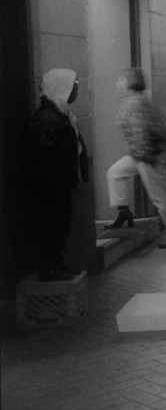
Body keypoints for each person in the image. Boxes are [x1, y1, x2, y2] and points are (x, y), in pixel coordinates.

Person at [106, 68, 166, 248]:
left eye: (120, 80)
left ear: (129, 82)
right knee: (115, 173)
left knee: (160, 194)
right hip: (143, 153)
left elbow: (141, 133)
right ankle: (123, 210)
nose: (117, 84)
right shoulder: (138, 101)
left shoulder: (134, 104)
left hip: (149, 154)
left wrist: (146, 158)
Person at [29, 69, 89, 280]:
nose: (76, 91)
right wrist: (55, 184)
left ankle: (56, 264)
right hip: (51, 188)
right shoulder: (48, 118)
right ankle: (50, 268)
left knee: (60, 226)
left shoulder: (62, 115)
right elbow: (43, 155)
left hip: (60, 185)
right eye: (74, 86)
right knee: (52, 227)